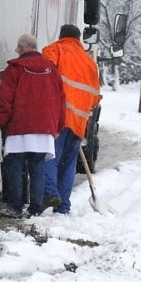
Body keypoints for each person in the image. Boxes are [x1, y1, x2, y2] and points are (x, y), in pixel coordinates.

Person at [0, 34, 66, 218]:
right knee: (37, 167)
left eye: (17, 48)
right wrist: (58, 126)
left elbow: (6, 101)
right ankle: (35, 208)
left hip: (20, 126)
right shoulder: (51, 69)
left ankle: (15, 207)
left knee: (15, 166)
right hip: (44, 128)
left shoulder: (14, 69)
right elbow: (61, 99)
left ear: (22, 48)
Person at [42, 24, 102, 215]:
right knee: (68, 164)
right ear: (78, 39)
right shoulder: (90, 62)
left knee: (49, 156)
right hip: (79, 122)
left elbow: (43, 79)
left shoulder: (54, 50)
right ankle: (63, 207)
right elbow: (94, 97)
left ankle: (50, 194)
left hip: (58, 117)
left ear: (61, 36)